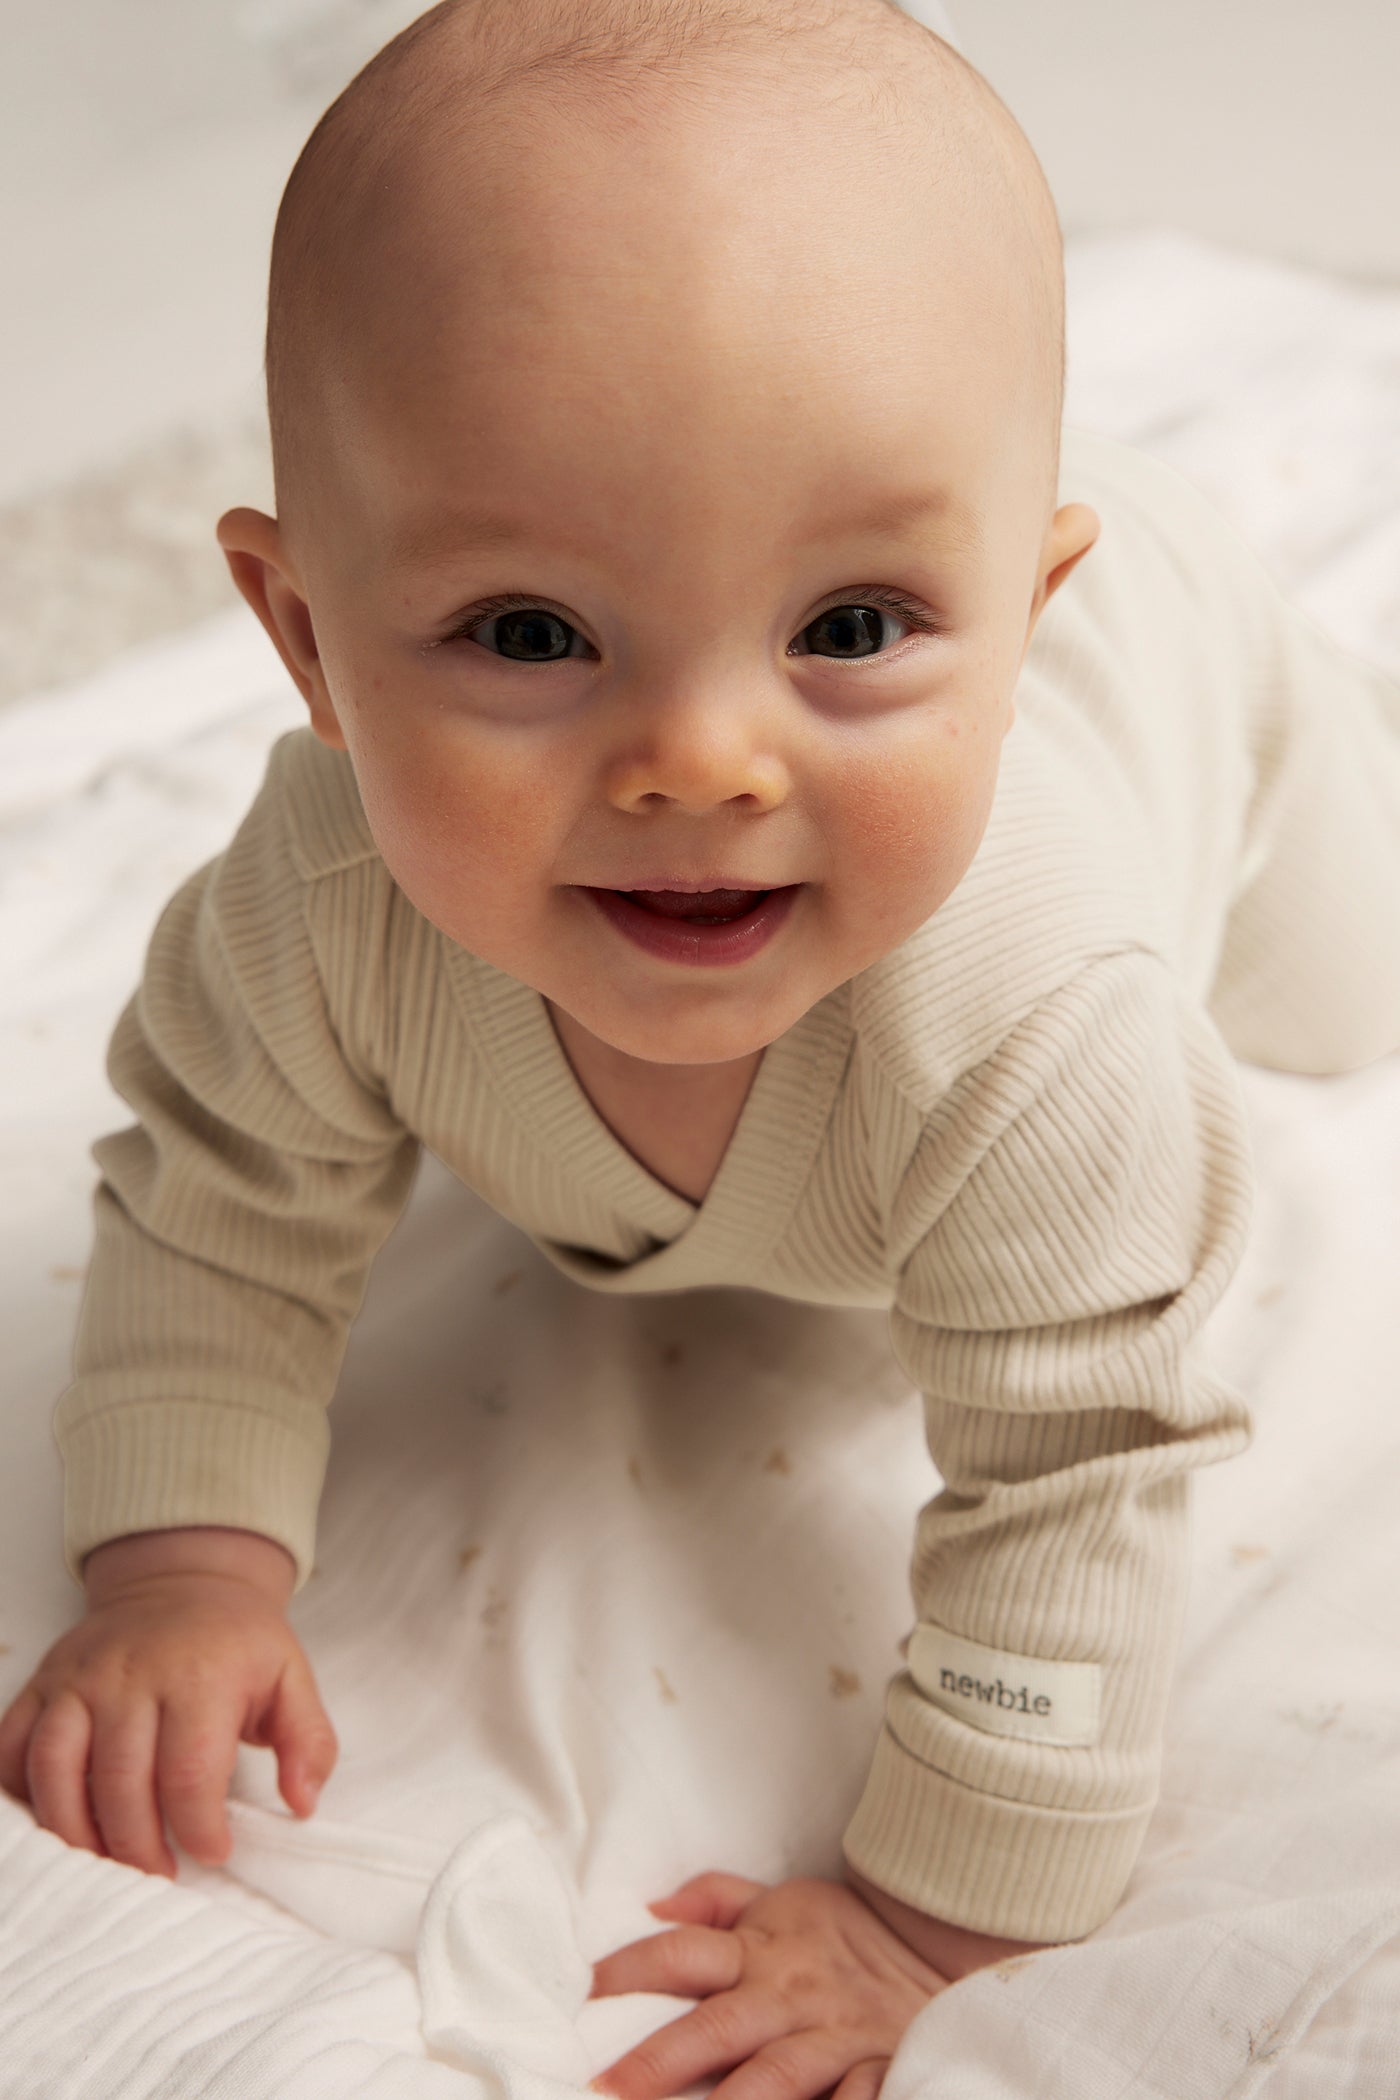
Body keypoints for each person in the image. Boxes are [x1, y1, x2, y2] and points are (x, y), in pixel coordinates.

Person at [4, 1, 1399, 2092]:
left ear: (1025, 620)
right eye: (530, 634)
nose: (696, 762)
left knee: (1354, 1002)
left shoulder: (1046, 1021)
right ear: (304, 643)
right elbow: (221, 1202)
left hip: (1224, 709)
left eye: (851, 628)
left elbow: (1080, 1465)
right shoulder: (320, 910)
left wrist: (936, 1916)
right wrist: (184, 1562)